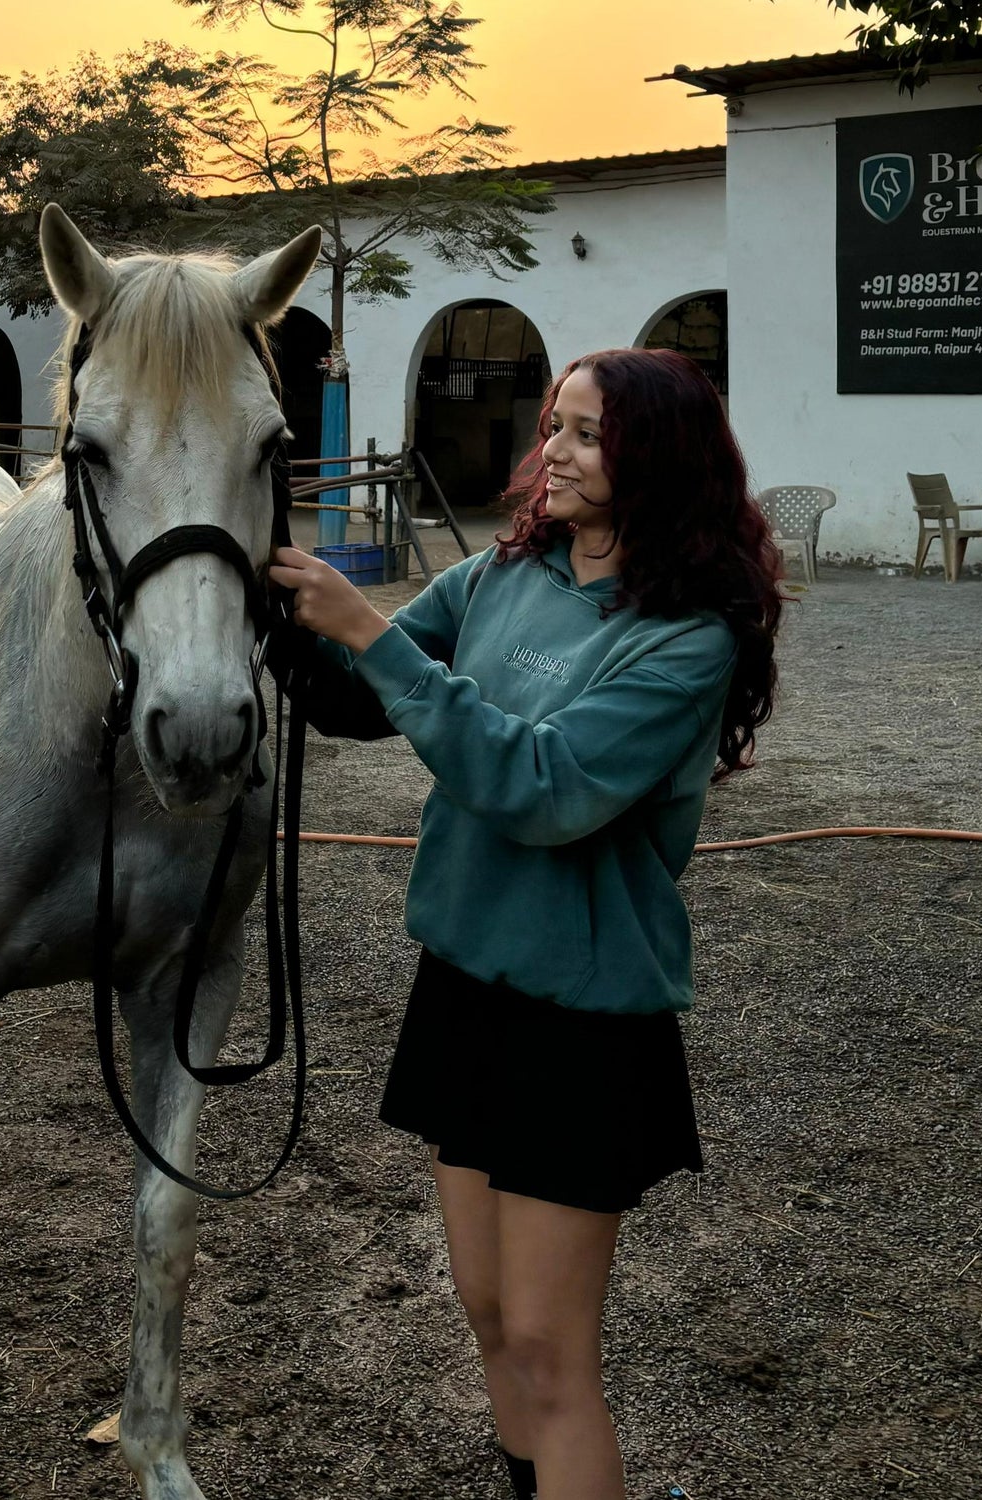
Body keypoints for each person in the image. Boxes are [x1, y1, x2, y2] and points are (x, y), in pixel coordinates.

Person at [267, 348, 784, 1500]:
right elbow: (362, 697)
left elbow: (545, 789)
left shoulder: (685, 637)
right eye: (555, 425)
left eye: (587, 434)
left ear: (660, 457)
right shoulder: (507, 575)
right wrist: (256, 594)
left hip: (584, 1015)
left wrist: (371, 631)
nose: (552, 450)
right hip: (466, 979)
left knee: (556, 1355)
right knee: (493, 1318)